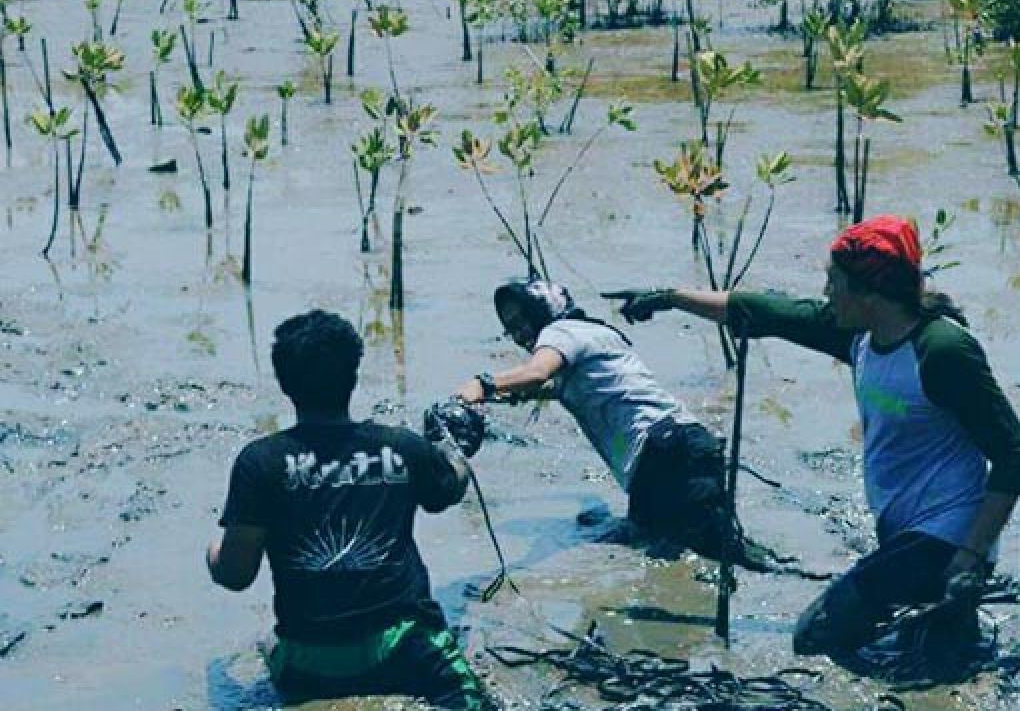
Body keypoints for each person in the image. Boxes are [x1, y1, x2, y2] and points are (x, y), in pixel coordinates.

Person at [604, 215, 1020, 655]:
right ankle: (945, 627)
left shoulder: (941, 351)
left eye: (834, 282)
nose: (826, 293)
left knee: (816, 636)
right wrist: (669, 298)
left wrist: (972, 555)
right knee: (920, 645)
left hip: (947, 536)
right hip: (904, 529)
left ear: (870, 292)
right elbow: (762, 309)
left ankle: (947, 619)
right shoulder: (860, 336)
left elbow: (1015, 455)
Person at [207, 309, 492, 709]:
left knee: (265, 647)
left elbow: (235, 575)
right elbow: (450, 488)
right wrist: (453, 446)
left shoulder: (261, 462)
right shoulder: (401, 447)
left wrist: (212, 552)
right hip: (406, 648)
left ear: (285, 384)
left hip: (310, 664)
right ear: (353, 377)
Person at [455, 278, 799, 574]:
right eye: (510, 328)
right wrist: (482, 400)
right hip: (672, 452)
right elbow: (541, 387)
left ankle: (804, 581)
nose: (518, 335)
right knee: (686, 555)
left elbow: (535, 374)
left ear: (542, 310)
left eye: (521, 321)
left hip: (667, 452)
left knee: (708, 557)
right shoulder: (592, 339)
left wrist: (481, 383)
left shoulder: (562, 333)